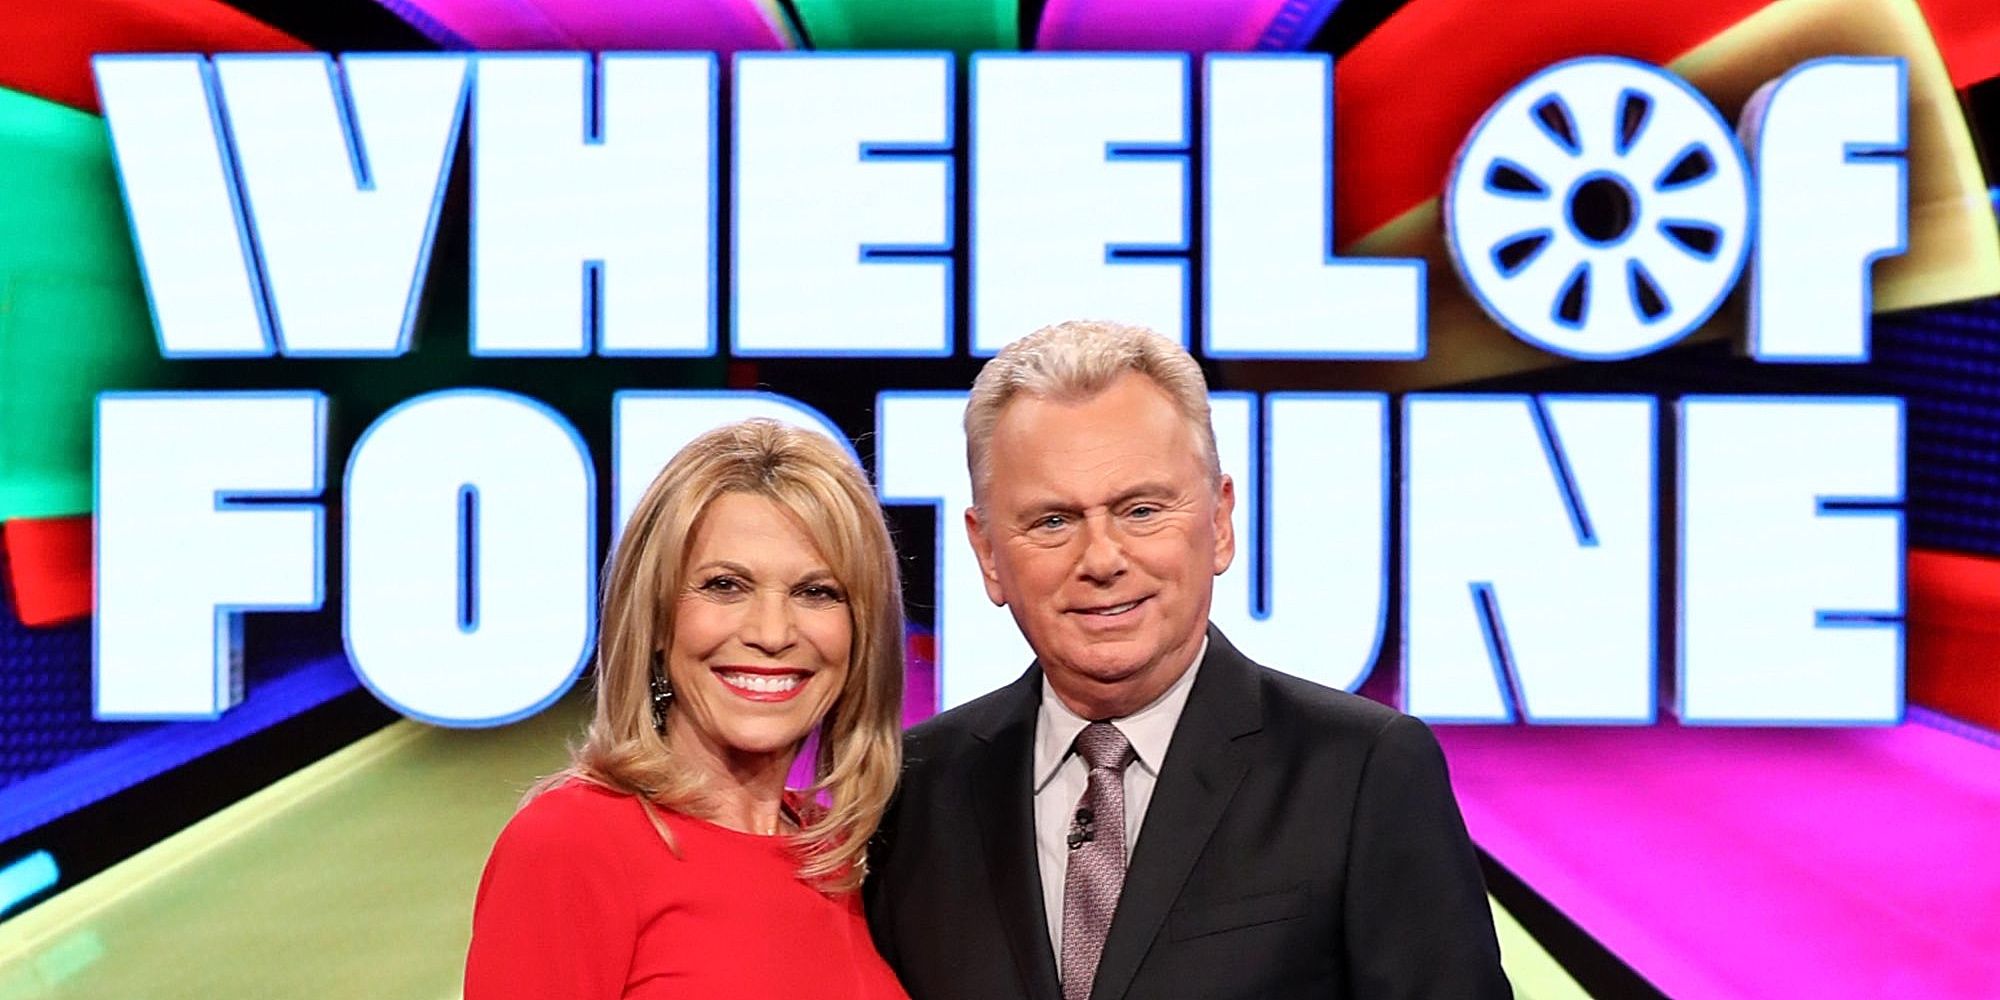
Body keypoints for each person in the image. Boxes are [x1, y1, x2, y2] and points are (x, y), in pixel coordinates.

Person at [865, 321, 1509, 999]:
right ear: (989, 553)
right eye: (1052, 521)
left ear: (1220, 520)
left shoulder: (1360, 772)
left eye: (1141, 510)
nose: (1103, 560)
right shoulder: (910, 795)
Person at [465, 418, 910, 1000]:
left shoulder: (842, 858)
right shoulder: (572, 844)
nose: (773, 632)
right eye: (726, 586)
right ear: (655, 619)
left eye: (816, 592)